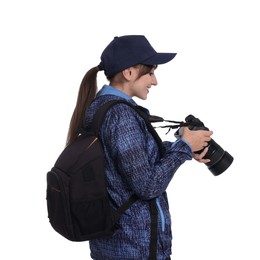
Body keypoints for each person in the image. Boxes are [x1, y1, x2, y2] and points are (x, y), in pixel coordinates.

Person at [66, 35, 213, 260]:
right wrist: (183, 146)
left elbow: (130, 159)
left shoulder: (102, 106)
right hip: (135, 249)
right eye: (151, 72)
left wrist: (183, 148)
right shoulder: (120, 114)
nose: (155, 81)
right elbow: (148, 185)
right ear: (129, 72)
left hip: (115, 245)